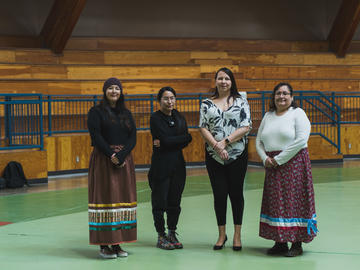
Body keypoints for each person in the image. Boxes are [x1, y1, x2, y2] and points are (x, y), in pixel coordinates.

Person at [255, 82, 318, 257]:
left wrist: (278, 159)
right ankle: (280, 242)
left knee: (294, 202)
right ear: (273, 97)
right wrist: (265, 158)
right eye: (278, 93)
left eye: (285, 93)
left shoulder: (298, 114)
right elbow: (258, 140)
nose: (281, 97)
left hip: (294, 163)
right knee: (276, 203)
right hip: (273, 165)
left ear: (292, 97)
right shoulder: (268, 115)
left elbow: (301, 140)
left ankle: (296, 244)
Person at [199, 67, 251, 251]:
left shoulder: (241, 101)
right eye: (220, 78)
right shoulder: (206, 103)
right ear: (215, 81)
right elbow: (203, 127)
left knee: (236, 194)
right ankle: (222, 235)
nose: (223, 82)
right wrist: (216, 145)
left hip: (237, 154)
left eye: (227, 79)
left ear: (232, 82)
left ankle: (237, 235)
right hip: (214, 156)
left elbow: (246, 126)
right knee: (219, 195)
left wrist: (226, 142)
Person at [87, 77, 137, 259]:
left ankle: (117, 243)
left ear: (121, 91)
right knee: (105, 198)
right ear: (105, 91)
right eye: (110, 88)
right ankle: (103, 245)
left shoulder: (126, 113)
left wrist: (122, 156)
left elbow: (133, 137)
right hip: (103, 159)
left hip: (123, 161)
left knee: (121, 198)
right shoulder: (96, 112)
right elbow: (96, 136)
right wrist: (112, 155)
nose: (114, 91)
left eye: (117, 88)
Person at [148, 86, 192, 250]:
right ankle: (161, 235)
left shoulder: (179, 116)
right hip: (161, 166)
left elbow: (188, 138)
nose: (169, 101)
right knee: (159, 202)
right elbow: (167, 139)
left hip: (178, 165)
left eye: (172, 98)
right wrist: (178, 139)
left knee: (175, 202)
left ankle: (172, 232)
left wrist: (170, 141)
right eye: (166, 98)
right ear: (159, 101)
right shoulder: (155, 118)